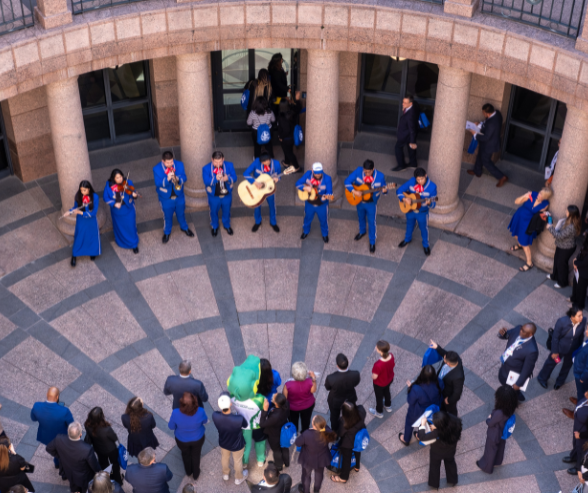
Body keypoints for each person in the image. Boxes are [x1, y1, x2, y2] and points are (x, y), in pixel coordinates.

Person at [344, 160, 389, 254]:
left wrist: (385, 191)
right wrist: (354, 191)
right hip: (359, 200)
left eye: (369, 172)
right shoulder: (358, 171)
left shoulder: (380, 176)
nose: (367, 173)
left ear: (373, 169)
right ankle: (362, 231)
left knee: (372, 222)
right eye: (365, 171)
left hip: (371, 203)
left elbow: (385, 188)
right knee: (360, 217)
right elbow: (347, 181)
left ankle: (372, 242)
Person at [537, 306, 585, 390]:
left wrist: (579, 348)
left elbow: (581, 335)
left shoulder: (583, 320)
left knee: (567, 366)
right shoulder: (561, 322)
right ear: (572, 316)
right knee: (551, 363)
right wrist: (555, 351)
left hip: (573, 348)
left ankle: (559, 382)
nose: (582, 317)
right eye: (579, 316)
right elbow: (555, 337)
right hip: (560, 348)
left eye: (582, 315)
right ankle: (542, 378)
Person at [152, 151, 195, 244]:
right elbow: (158, 183)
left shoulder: (179, 164)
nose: (170, 164)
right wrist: (167, 179)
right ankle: (167, 232)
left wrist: (178, 179)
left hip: (179, 195)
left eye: (171, 162)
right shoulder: (156, 169)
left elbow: (184, 177)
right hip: (165, 198)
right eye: (167, 162)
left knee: (181, 214)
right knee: (167, 217)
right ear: (163, 161)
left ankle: (184, 228)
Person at [46, 422, 100, 493]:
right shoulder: (87, 449)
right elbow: (95, 466)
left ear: (68, 431)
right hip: (84, 477)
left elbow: (49, 448)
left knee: (74, 488)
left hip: (69, 472)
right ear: (80, 434)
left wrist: (61, 457)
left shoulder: (59, 439)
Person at [476, 385, 518, 474]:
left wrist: (488, 418)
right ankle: (498, 461)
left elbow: (490, 423)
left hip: (494, 434)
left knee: (490, 450)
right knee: (500, 447)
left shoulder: (499, 412)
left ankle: (487, 467)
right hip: (502, 433)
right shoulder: (510, 407)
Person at [508, 188, 552, 272]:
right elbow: (516, 202)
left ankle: (529, 263)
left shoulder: (545, 204)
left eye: (542, 195)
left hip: (528, 223)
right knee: (516, 235)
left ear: (546, 197)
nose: (539, 195)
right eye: (540, 193)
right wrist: (524, 196)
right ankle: (519, 245)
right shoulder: (532, 194)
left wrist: (547, 217)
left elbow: (538, 215)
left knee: (525, 243)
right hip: (519, 217)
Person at [396, 167, 437, 256]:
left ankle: (426, 245)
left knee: (423, 228)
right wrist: (404, 199)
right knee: (409, 225)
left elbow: (433, 205)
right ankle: (407, 239)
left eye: (421, 179)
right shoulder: (412, 181)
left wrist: (429, 203)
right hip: (410, 210)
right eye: (418, 179)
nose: (419, 181)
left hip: (422, 212)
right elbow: (399, 190)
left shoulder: (432, 187)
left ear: (426, 176)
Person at [30, 386, 74, 468]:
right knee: (60, 451)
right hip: (61, 438)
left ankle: (57, 463)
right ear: (57, 397)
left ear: (47, 394)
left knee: (54, 450)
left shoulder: (37, 406)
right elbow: (71, 425)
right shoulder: (64, 411)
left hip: (46, 437)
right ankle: (59, 463)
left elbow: (33, 418)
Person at [417, 411, 462, 489]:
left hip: (436, 452)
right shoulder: (455, 421)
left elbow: (422, 437)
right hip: (451, 450)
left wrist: (422, 425)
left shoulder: (436, 433)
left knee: (434, 466)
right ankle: (453, 480)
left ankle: (434, 484)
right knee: (450, 463)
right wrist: (436, 427)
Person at [168, 392, 207, 480]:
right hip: (198, 438)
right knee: (196, 455)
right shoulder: (201, 411)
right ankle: (196, 474)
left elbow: (171, 427)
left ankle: (188, 471)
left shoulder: (175, 413)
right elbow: (204, 421)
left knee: (185, 454)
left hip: (181, 439)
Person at [399, 365, 442, 446]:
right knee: (424, 423)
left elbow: (410, 401)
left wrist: (411, 388)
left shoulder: (416, 388)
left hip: (417, 411)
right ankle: (419, 435)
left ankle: (406, 439)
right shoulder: (439, 382)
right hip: (430, 411)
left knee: (409, 422)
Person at [467, 103, 508, 188]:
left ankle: (501, 177)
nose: (483, 114)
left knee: (486, 161)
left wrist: (475, 134)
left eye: (483, 113)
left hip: (489, 145)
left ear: (487, 113)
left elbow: (486, 137)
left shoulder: (491, 124)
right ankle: (477, 171)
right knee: (479, 156)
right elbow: (487, 123)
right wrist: (480, 124)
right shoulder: (497, 113)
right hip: (488, 143)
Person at [211, 394, 248, 485]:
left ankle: (225, 474)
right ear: (231, 404)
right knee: (238, 461)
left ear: (219, 405)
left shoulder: (215, 415)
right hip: (237, 444)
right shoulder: (238, 419)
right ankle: (238, 478)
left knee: (224, 458)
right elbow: (245, 425)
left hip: (224, 443)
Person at [295, 415, 337, 493]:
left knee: (306, 476)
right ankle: (316, 490)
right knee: (319, 474)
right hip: (321, 459)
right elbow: (326, 429)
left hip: (308, 459)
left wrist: (311, 430)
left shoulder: (307, 434)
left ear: (313, 425)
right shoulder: (328, 431)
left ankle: (306, 490)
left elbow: (297, 443)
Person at [498, 324, 539, 402]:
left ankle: (515, 396)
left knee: (511, 392)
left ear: (530, 334)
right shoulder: (518, 329)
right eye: (521, 329)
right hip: (505, 366)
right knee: (504, 383)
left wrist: (518, 384)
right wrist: (502, 334)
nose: (520, 331)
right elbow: (507, 335)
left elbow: (527, 369)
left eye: (523, 331)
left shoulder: (532, 350)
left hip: (513, 373)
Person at [103, 168, 139, 254]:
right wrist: (114, 203)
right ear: (113, 179)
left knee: (130, 226)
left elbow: (132, 193)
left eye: (121, 177)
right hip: (117, 211)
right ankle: (121, 241)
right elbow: (105, 197)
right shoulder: (109, 185)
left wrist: (134, 195)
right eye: (117, 178)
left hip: (128, 208)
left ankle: (134, 244)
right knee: (119, 227)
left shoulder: (128, 182)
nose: (120, 179)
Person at [65, 180, 101, 267]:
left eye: (84, 190)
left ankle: (92, 252)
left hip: (91, 220)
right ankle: (74, 255)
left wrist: (81, 213)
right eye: (81, 190)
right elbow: (75, 207)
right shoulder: (78, 196)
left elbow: (93, 213)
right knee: (79, 236)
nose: (82, 192)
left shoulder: (95, 197)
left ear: (89, 189)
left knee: (91, 236)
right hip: (81, 220)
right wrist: (70, 211)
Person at [84, 407, 122, 485]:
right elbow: (114, 438)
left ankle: (108, 478)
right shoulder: (106, 429)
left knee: (103, 464)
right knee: (115, 463)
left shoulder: (87, 425)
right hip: (111, 449)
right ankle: (118, 480)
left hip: (98, 449)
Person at [202, 151, 237, 237]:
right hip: (213, 196)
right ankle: (214, 226)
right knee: (213, 212)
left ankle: (227, 225)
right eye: (216, 162)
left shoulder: (229, 165)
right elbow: (206, 181)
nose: (218, 163)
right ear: (212, 160)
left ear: (223, 159)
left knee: (227, 211)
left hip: (226, 194)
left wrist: (227, 178)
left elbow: (235, 178)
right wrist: (215, 179)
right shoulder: (206, 168)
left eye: (220, 161)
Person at [244, 154, 282, 233]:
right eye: (263, 164)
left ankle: (273, 222)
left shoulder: (276, 163)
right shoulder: (256, 162)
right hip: (258, 187)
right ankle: (258, 222)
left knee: (272, 206)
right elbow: (245, 173)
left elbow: (279, 175)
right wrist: (255, 182)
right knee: (257, 205)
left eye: (267, 163)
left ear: (270, 159)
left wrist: (278, 179)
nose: (265, 164)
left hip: (269, 189)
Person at [331, 401, 366, 484]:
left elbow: (340, 433)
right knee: (357, 451)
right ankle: (357, 466)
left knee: (347, 459)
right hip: (359, 437)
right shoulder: (361, 411)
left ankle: (343, 477)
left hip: (348, 442)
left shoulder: (344, 422)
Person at [296, 162, 333, 243]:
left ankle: (325, 234)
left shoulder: (327, 178)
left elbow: (329, 191)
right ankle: (305, 231)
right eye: (316, 173)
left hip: (322, 205)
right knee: (307, 218)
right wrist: (304, 188)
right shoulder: (307, 175)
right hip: (309, 203)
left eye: (320, 173)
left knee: (323, 220)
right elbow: (297, 184)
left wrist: (326, 197)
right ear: (312, 171)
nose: (318, 175)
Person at [546, 205, 581, 288]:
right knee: (557, 260)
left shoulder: (571, 226)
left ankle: (562, 282)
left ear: (571, 214)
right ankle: (554, 276)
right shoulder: (568, 220)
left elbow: (559, 236)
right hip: (561, 245)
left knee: (562, 264)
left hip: (567, 248)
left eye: (567, 211)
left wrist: (550, 228)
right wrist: (550, 218)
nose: (566, 212)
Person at [325, 353, 361, 431]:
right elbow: (356, 383)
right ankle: (349, 429)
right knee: (350, 415)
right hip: (350, 398)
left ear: (337, 366)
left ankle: (335, 432)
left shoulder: (331, 378)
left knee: (334, 417)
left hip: (335, 401)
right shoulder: (355, 374)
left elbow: (327, 387)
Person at [231, 389, 267, 469]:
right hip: (257, 425)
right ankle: (260, 460)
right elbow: (265, 408)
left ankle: (244, 463)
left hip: (243, 425)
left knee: (245, 445)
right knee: (260, 442)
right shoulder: (260, 398)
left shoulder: (233, 396)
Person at [429, 340, 465, 417]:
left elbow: (457, 393)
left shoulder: (458, 377)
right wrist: (437, 347)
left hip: (446, 395)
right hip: (440, 388)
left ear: (448, 363)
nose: (443, 358)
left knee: (451, 410)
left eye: (444, 359)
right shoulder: (455, 358)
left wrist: (448, 400)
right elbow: (446, 354)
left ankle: (454, 420)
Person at [259, 393, 290, 472]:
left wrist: (265, 410)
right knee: (284, 447)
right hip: (284, 430)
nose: (273, 395)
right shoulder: (286, 403)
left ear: (276, 403)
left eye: (274, 397)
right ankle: (287, 463)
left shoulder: (275, 416)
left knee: (276, 450)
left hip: (275, 434)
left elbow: (262, 424)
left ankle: (279, 466)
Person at [283, 362, 317, 433]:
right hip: (308, 406)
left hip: (292, 408)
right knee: (306, 421)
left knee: (293, 421)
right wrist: (313, 378)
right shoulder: (310, 381)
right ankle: (305, 433)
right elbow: (313, 390)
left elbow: (284, 397)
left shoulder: (288, 384)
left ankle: (294, 433)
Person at [563, 389, 588, 475]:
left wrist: (580, 435)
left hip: (584, 433)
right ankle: (573, 456)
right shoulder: (586, 399)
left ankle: (578, 468)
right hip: (578, 427)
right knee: (576, 444)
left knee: (582, 451)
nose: (586, 392)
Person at [392, 95, 419, 172]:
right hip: (410, 133)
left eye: (405, 103)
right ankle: (413, 163)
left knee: (398, 148)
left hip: (405, 134)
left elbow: (412, 129)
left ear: (410, 104)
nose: (402, 104)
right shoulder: (415, 105)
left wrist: (413, 141)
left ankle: (401, 165)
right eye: (403, 102)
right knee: (410, 147)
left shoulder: (410, 116)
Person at [276, 94, 302, 173]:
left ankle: (297, 167)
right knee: (287, 150)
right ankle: (286, 163)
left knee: (289, 152)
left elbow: (286, 130)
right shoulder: (292, 113)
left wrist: (281, 136)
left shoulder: (282, 117)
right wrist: (297, 99)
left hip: (286, 138)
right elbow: (298, 108)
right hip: (292, 136)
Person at [369, 340, 395, 418]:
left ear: (379, 350)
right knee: (387, 392)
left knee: (379, 397)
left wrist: (372, 376)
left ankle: (379, 412)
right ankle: (388, 406)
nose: (375, 347)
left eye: (376, 346)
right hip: (389, 379)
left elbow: (375, 376)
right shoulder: (391, 355)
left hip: (380, 384)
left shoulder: (378, 364)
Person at [572, 325, 588, 404]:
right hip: (580, 370)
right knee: (580, 391)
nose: (586, 331)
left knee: (582, 392)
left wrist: (583, 378)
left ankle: (578, 410)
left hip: (582, 376)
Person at [572, 235, 588, 309]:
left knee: (581, 290)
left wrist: (575, 263)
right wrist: (576, 260)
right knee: (575, 285)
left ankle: (579, 306)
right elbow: (581, 253)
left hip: (584, 274)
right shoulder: (585, 244)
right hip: (579, 270)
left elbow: (585, 263)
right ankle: (574, 300)